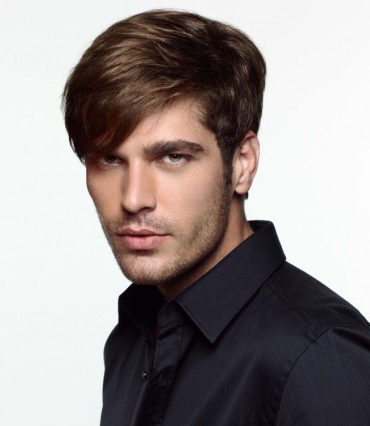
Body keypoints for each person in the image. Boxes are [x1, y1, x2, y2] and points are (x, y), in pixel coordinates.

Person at [61, 9, 370, 426]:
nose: (133, 199)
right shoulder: (131, 341)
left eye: (173, 157)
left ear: (242, 164)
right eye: (109, 159)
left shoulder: (318, 357)